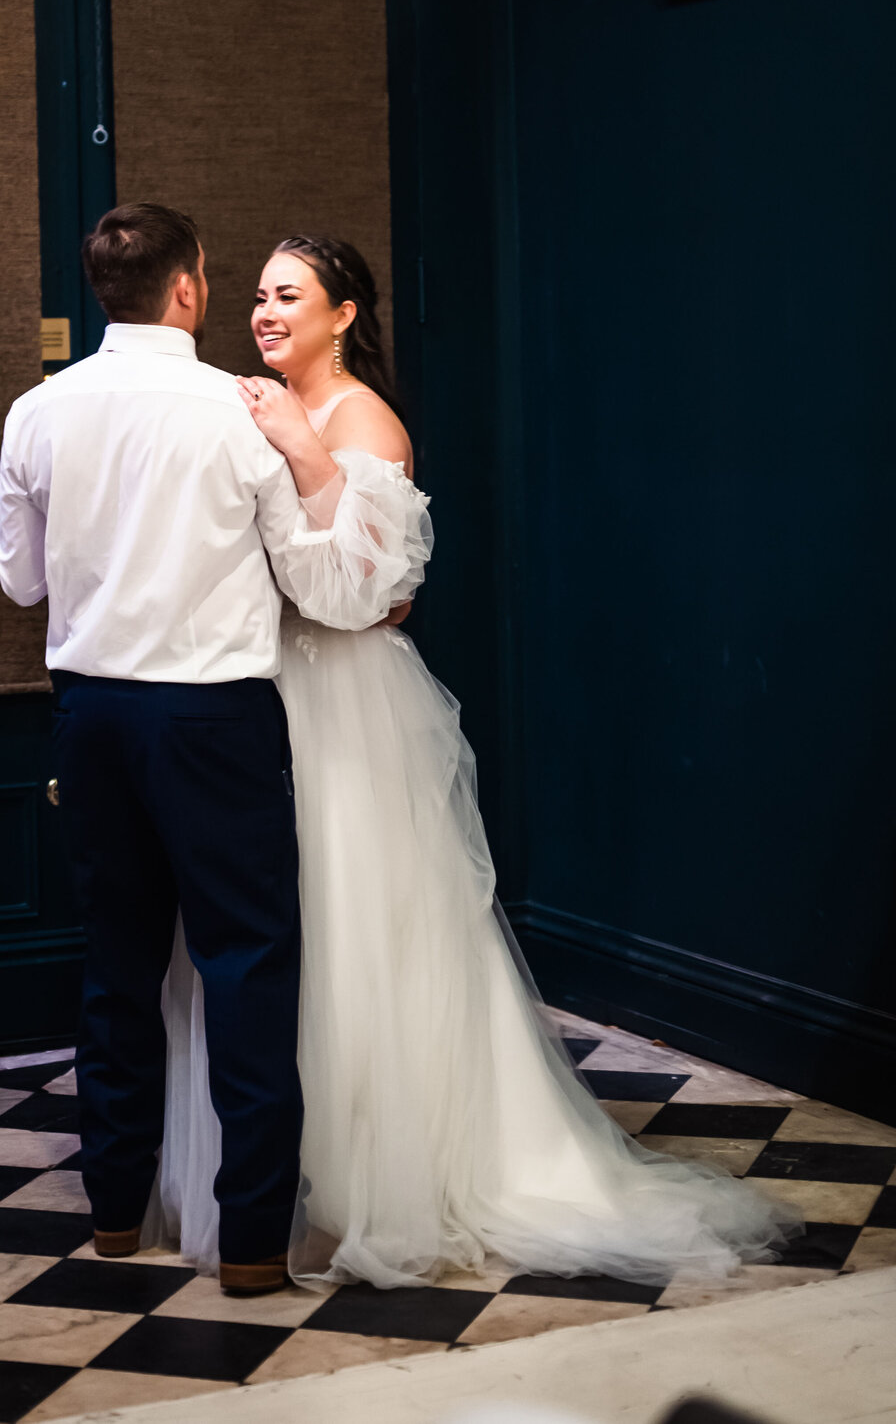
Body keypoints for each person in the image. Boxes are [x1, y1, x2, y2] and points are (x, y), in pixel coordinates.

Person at [151, 235, 802, 1291]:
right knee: (274, 937)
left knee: (357, 925)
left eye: (289, 295)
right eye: (259, 294)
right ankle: (278, 1173)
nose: (264, 312)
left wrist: (304, 456)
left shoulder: (363, 421)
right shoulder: (251, 408)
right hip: (258, 695)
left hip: (342, 704)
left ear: (343, 314)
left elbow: (371, 594)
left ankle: (381, 1177)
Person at [0, 206, 429, 1297]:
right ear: (187, 287)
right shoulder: (237, 413)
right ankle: (251, 1241)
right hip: (213, 719)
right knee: (246, 969)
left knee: (118, 968)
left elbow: (21, 580)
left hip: (92, 715)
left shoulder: (36, 411)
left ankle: (114, 1213)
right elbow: (323, 584)